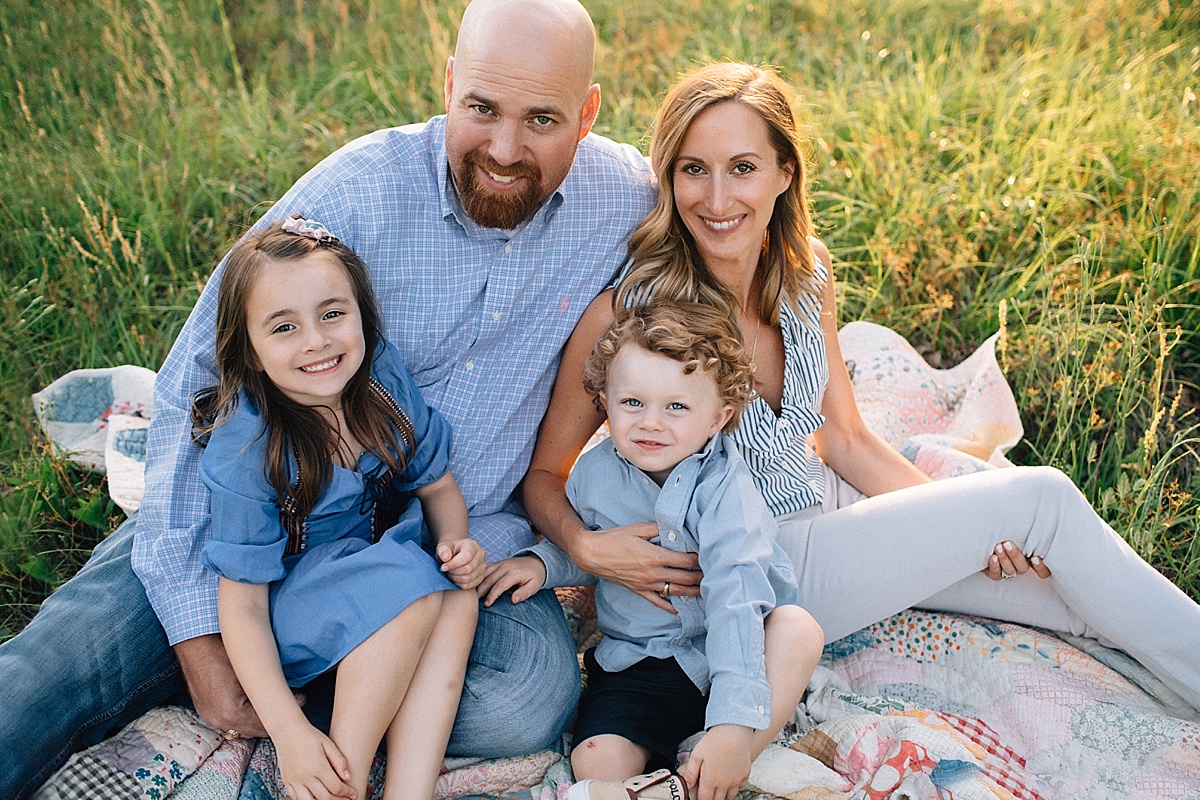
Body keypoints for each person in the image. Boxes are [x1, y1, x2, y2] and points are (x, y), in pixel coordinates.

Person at [0, 0, 656, 795]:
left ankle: (303, 681)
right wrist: (200, 640)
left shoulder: (622, 199)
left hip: (446, 540)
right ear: (448, 85)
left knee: (527, 700)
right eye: (481, 108)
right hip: (267, 515)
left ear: (587, 115)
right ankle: (269, 667)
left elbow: (732, 221)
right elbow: (192, 385)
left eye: (543, 119)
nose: (505, 149)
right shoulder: (360, 192)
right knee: (64, 666)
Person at [522, 61, 1200, 719]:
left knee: (1066, 593)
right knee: (1043, 498)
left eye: (743, 168)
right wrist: (583, 549)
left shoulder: (806, 273)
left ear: (785, 173)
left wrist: (963, 519)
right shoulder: (628, 314)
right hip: (750, 563)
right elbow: (546, 474)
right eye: (693, 169)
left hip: (827, 514)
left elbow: (843, 439)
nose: (718, 198)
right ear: (669, 178)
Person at [481, 302, 822, 800]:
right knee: (593, 757)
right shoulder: (595, 474)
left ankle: (716, 762)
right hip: (639, 661)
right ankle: (674, 779)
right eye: (632, 403)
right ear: (604, 402)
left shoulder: (728, 492)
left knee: (798, 629)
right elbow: (590, 547)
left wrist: (731, 721)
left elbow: (737, 597)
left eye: (677, 407)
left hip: (732, 651)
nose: (651, 424)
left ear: (718, 418)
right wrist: (541, 564)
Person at [196, 217, 482, 800]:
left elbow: (437, 484)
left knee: (454, 594)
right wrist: (290, 733)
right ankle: (334, 784)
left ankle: (409, 790)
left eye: (332, 313)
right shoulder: (250, 448)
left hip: (375, 571)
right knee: (413, 582)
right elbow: (243, 607)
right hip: (292, 608)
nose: (317, 341)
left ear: (361, 314)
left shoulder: (379, 382)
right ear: (248, 351)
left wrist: (458, 546)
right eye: (283, 327)